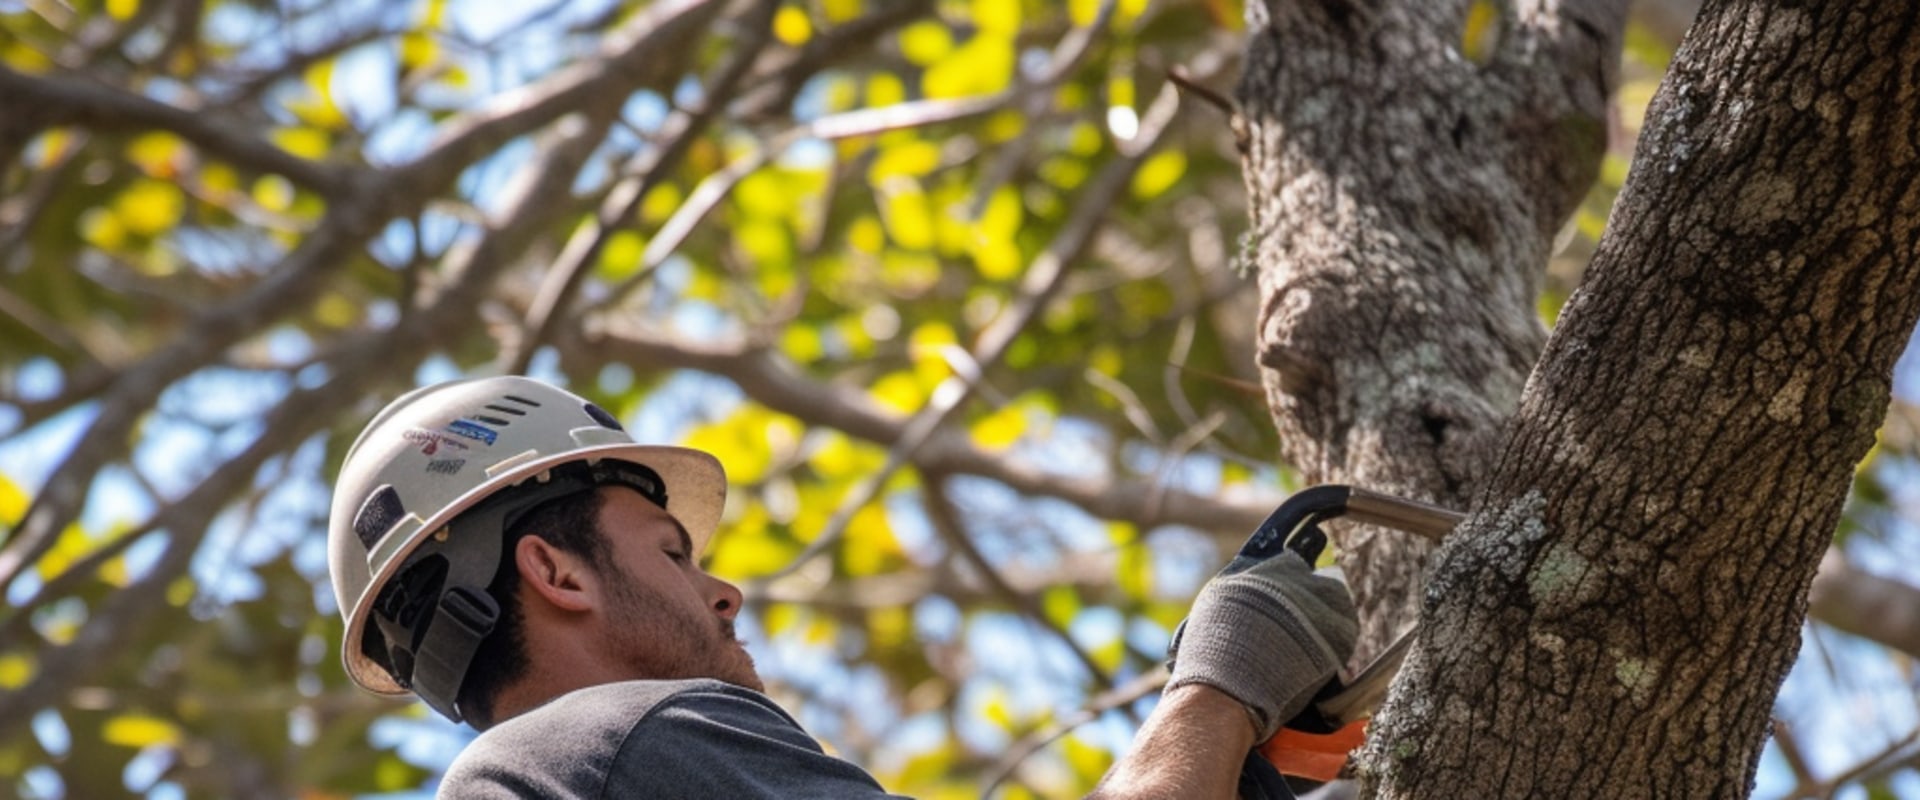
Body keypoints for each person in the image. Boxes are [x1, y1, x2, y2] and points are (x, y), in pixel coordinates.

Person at [327, 375, 1357, 798]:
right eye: (672, 554)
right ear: (553, 572)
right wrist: (1217, 685)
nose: (725, 596)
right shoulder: (613, 741)